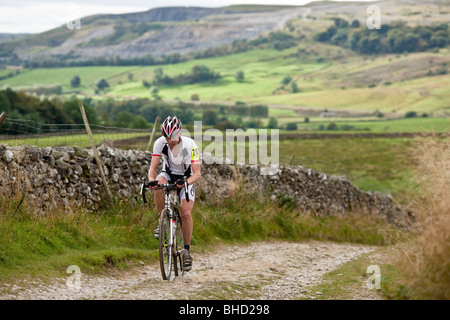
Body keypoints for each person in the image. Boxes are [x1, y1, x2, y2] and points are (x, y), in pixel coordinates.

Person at [148, 116, 201, 272]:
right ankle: (162, 222)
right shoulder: (160, 143)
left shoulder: (190, 145)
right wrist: (151, 180)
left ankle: (186, 250)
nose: (169, 140)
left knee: (185, 213)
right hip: (169, 174)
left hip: (187, 178)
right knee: (158, 183)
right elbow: (153, 168)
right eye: (166, 136)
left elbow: (197, 174)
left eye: (171, 137)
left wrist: (186, 183)